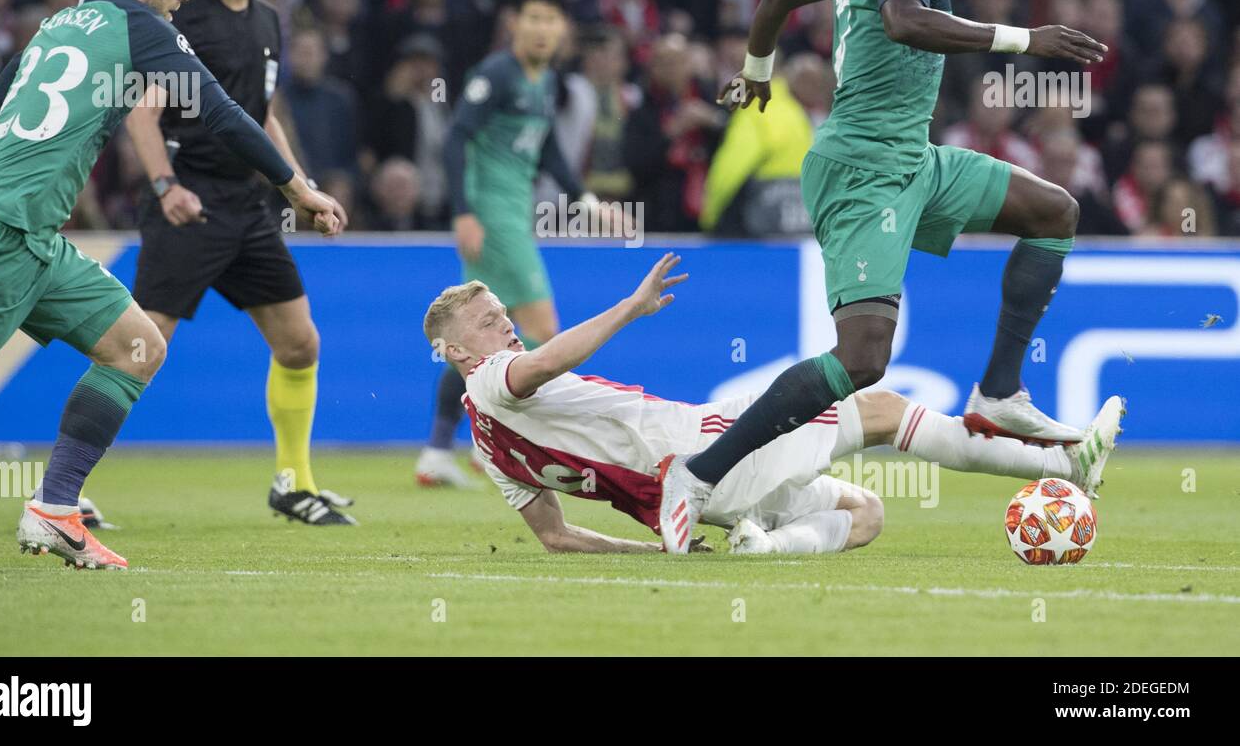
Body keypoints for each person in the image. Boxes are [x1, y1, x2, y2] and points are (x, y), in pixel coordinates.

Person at [659, 0, 1110, 553]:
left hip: (914, 159)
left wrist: (755, 74)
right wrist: (1028, 38)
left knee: (1055, 211)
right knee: (863, 359)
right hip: (865, 169)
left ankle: (998, 392)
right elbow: (905, 21)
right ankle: (697, 474)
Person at [0, 0, 339, 569]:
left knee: (137, 345)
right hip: (0, 237)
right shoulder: (140, 25)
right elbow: (221, 113)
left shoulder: (52, 27)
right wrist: (295, 187)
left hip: (29, 238)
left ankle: (55, 508)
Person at [421, 254, 1122, 555]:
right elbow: (544, 359)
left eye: (502, 312)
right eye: (486, 322)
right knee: (877, 407)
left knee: (864, 514)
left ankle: (761, 547)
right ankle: (1064, 465)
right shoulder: (492, 377)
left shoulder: (488, 449)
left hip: (704, 503)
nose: (504, 325)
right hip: (701, 449)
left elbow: (555, 535)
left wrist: (646, 548)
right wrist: (631, 309)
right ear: (458, 352)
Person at [126, 0, 354, 526]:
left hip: (247, 206)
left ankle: (294, 483)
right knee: (139, 347)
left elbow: (262, 119)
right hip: (189, 200)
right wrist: (166, 185)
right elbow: (141, 113)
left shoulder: (269, 20)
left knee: (299, 343)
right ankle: (72, 482)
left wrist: (300, 188)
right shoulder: (178, 15)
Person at [418, 0, 594, 487]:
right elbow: (456, 137)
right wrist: (464, 213)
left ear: (562, 31)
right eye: (532, 18)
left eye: (550, 20)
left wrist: (588, 203)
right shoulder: (496, 73)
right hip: (494, 221)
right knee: (545, 329)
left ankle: (454, 447)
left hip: (513, 217)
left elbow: (550, 153)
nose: (541, 28)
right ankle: (504, 442)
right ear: (515, 23)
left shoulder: (545, 82)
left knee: (481, 341)